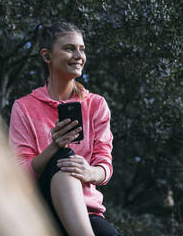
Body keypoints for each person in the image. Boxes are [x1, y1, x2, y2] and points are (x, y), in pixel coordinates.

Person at [9, 22, 120, 236]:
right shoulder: (24, 107)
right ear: (47, 56)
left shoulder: (96, 104)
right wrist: (54, 147)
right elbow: (20, 173)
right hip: (40, 208)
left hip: (87, 211)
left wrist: (89, 172)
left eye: (82, 49)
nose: (79, 55)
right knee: (64, 156)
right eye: (69, 48)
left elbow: (104, 165)